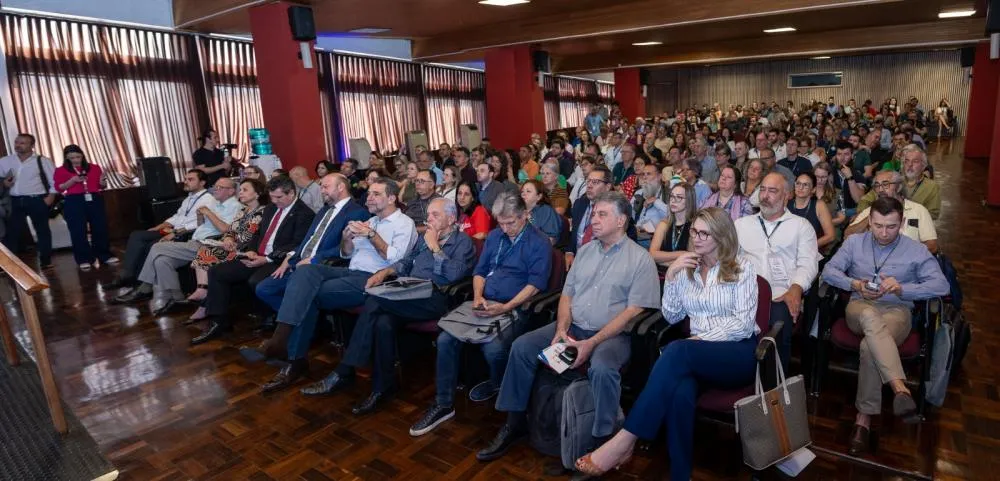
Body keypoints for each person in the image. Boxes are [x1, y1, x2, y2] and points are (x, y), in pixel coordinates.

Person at [473, 191, 659, 462]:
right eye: (593, 213)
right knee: (522, 347)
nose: (594, 219)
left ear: (621, 221)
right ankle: (515, 423)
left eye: (602, 214)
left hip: (612, 335)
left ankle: (602, 443)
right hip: (573, 327)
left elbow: (633, 312)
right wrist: (561, 330)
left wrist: (591, 343)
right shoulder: (585, 251)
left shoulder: (640, 259)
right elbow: (567, 295)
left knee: (602, 368)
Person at [576, 207, 760, 479]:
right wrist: (672, 277)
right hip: (696, 356)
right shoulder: (688, 269)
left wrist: (701, 338)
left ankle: (625, 440)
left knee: (677, 350)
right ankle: (679, 474)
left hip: (737, 354)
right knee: (680, 392)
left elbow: (743, 324)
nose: (696, 238)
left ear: (722, 236)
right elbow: (672, 315)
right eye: (694, 231)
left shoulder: (742, 267)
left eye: (704, 233)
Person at [298, 198, 477, 414]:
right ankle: (382, 388)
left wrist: (435, 247)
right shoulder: (425, 238)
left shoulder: (462, 242)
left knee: (374, 300)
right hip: (410, 291)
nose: (429, 219)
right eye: (428, 214)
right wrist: (385, 272)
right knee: (383, 322)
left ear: (451, 218)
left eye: (435, 215)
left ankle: (345, 370)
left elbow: (454, 274)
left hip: (436, 298)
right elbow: (406, 262)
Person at [408, 193, 552, 437]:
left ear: (525, 215)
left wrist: (506, 307)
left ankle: (499, 385)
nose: (505, 229)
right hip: (484, 302)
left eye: (511, 223)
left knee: (493, 349)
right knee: (445, 339)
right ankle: (443, 404)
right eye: (501, 223)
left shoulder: (539, 242)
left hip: (516, 307)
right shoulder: (495, 236)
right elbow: (480, 271)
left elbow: (535, 285)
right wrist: (477, 296)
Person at [256, 177, 417, 393]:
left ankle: (291, 356)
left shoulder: (404, 223)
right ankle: (284, 342)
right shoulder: (371, 221)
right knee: (305, 271)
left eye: (376, 194)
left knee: (306, 294)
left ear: (392, 198)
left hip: (374, 278)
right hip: (350, 271)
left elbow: (396, 259)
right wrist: (346, 238)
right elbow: (346, 254)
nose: (369, 197)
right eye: (369, 193)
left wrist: (371, 235)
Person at [821, 197, 949, 455]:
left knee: (870, 346)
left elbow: (941, 285)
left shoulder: (915, 250)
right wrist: (855, 285)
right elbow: (829, 271)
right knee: (869, 316)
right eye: (878, 225)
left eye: (891, 226)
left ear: (901, 223)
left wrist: (904, 289)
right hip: (859, 308)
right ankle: (899, 387)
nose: (883, 232)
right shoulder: (854, 243)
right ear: (869, 221)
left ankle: (863, 419)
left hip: (897, 312)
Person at [189, 176, 316, 343]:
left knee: (255, 281)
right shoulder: (271, 208)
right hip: (257, 255)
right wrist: (251, 250)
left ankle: (273, 319)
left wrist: (267, 259)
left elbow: (297, 244)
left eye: (279, 197)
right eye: (272, 197)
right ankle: (219, 322)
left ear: (291, 193)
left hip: (277, 260)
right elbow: (257, 233)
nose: (274, 201)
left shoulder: (304, 213)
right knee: (217, 272)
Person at [253, 174, 369, 335]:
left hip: (321, 265)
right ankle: (308, 323)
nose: (321, 190)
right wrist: (291, 256)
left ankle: (294, 331)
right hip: (300, 261)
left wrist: (314, 259)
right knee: (264, 289)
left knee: (290, 291)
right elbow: (308, 239)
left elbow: (347, 248)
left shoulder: (356, 212)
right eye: (321, 186)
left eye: (325, 186)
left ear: (341, 187)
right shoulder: (324, 210)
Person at [112, 177, 242, 313]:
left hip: (209, 244)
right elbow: (201, 225)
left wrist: (208, 213)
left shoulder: (235, 207)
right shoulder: (215, 203)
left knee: (156, 247)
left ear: (231, 191)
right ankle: (177, 299)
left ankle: (145, 287)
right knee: (162, 261)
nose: (215, 189)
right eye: (215, 186)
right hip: (195, 241)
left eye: (220, 187)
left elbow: (226, 229)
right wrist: (200, 215)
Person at [735, 172, 819, 367]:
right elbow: (728, 259)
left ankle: (775, 382)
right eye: (763, 190)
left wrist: (796, 288)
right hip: (743, 292)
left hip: (780, 294)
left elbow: (808, 263)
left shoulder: (801, 226)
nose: (765, 195)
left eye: (772, 191)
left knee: (777, 330)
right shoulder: (741, 224)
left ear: (787, 195)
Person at [105, 170, 214, 289]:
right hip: (172, 230)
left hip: (184, 234)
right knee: (137, 235)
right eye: (185, 179)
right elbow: (177, 217)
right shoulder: (188, 199)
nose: (186, 182)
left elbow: (199, 224)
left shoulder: (208, 200)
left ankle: (139, 282)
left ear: (202, 183)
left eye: (190, 179)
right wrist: (158, 227)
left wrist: (175, 232)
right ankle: (127, 273)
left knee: (150, 245)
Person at [186, 177, 269, 310]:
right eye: (240, 190)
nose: (240, 192)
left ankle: (204, 299)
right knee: (205, 251)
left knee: (206, 254)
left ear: (257, 194)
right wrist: (228, 239)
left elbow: (251, 236)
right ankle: (203, 292)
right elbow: (231, 230)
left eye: (245, 190)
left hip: (248, 250)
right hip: (234, 246)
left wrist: (233, 242)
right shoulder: (244, 210)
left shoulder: (263, 212)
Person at [53, 144, 116, 270]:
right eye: (72, 158)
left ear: (82, 155)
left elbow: (100, 186)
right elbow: (59, 188)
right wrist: (73, 180)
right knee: (78, 231)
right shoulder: (60, 170)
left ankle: (104, 255)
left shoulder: (94, 167)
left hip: (94, 198)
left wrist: (102, 183)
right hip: (74, 200)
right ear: (66, 158)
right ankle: (84, 259)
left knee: (100, 228)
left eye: (78, 157)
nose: (76, 160)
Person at [844, 170, 938, 253]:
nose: (880, 189)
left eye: (885, 184)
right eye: (877, 185)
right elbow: (848, 235)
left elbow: (932, 246)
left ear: (899, 187)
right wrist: (871, 217)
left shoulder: (918, 210)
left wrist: (901, 254)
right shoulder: (870, 210)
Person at [0, 133, 58, 269]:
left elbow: (54, 181)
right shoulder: (5, 161)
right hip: (14, 201)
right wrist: (4, 184)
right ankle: (9, 265)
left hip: (36, 200)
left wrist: (51, 197)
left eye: (22, 143)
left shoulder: (43, 161)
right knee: (12, 233)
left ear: (32, 145)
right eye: (17, 142)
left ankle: (46, 261)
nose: (18, 145)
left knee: (42, 231)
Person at [856, 145, 940, 220]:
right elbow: (864, 200)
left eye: (915, 161)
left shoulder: (931, 186)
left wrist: (905, 216)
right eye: (906, 161)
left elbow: (933, 214)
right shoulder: (893, 179)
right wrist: (864, 216)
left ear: (923, 165)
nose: (910, 165)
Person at [566, 166, 613, 271]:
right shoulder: (579, 204)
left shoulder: (616, 210)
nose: (589, 186)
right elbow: (574, 233)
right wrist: (570, 251)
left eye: (595, 182)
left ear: (607, 187)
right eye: (588, 181)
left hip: (601, 264)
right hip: (576, 258)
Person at [649, 182, 697, 266]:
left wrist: (661, 260)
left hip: (683, 273)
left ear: (689, 201)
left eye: (679, 197)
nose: (673, 201)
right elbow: (652, 255)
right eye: (671, 196)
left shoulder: (695, 226)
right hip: (660, 272)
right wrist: (682, 253)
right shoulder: (664, 224)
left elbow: (692, 260)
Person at [788, 172, 836, 251]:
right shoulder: (786, 203)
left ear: (813, 189)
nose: (800, 187)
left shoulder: (819, 205)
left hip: (809, 250)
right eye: (798, 183)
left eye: (805, 185)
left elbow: (831, 236)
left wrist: (807, 246)